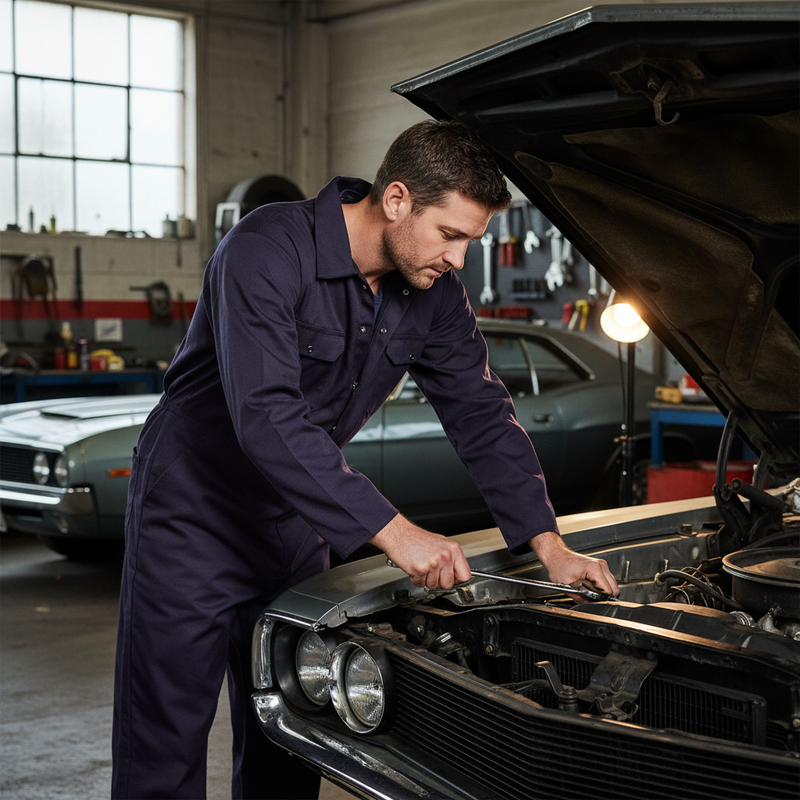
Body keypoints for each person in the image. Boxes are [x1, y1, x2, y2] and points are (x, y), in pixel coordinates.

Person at [112, 120, 619, 800]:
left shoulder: (435, 292)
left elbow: (480, 413)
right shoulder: (266, 249)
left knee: (291, 728)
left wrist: (547, 544)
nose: (458, 259)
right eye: (450, 234)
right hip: (192, 512)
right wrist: (395, 532)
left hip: (295, 522)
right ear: (398, 200)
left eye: (470, 241)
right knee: (164, 744)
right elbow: (267, 415)